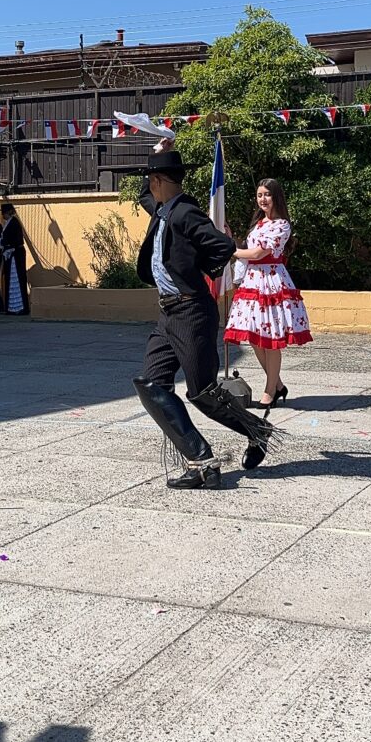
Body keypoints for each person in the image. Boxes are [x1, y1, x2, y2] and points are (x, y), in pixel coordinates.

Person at [133, 147, 280, 490]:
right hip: (168, 314)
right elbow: (144, 196)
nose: (148, 187)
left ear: (158, 181)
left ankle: (256, 430)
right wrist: (158, 153)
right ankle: (201, 460)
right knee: (151, 384)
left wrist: (196, 270)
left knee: (202, 393)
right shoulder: (162, 208)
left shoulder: (184, 212)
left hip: (191, 311)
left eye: (150, 180)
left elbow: (221, 247)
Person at [224, 178, 312, 409]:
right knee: (255, 336)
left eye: (267, 194)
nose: (262, 199)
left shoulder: (282, 225)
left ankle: (270, 389)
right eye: (259, 195)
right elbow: (249, 251)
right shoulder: (259, 223)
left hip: (271, 282)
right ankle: (278, 384)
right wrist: (231, 240)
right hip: (253, 281)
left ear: (276, 197)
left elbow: (258, 253)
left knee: (271, 339)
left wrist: (231, 249)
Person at [0, 203, 30, 315]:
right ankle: (12, 307)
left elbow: (13, 239)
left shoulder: (13, 222)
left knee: (16, 278)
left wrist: (4, 243)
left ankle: (20, 307)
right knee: (12, 279)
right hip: (12, 253)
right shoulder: (10, 222)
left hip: (15, 254)